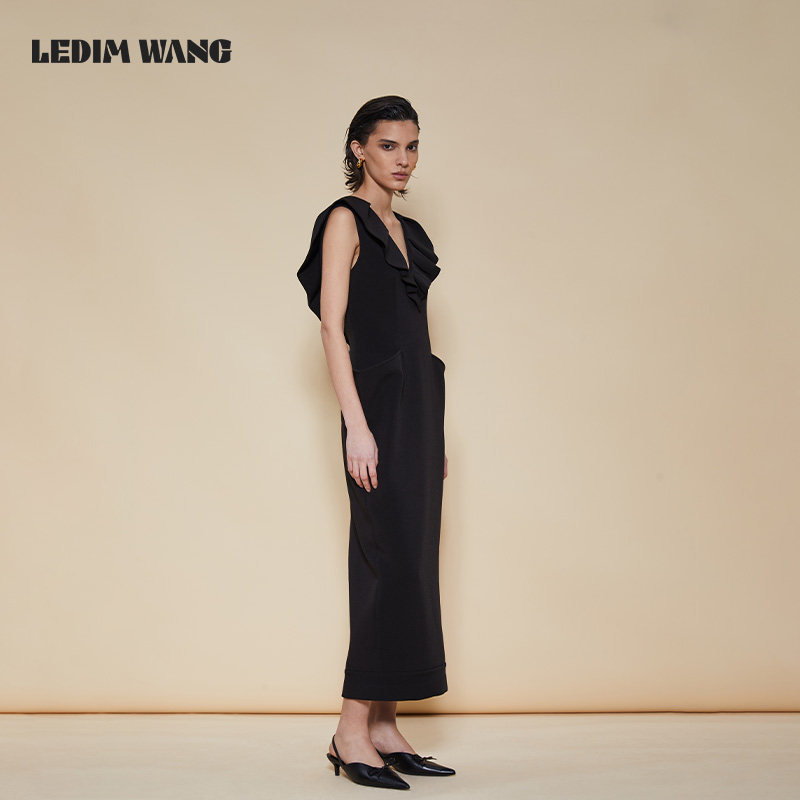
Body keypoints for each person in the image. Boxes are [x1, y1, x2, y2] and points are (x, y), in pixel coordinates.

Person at [297, 96, 456, 789]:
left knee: (413, 561)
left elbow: (418, 336)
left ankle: (386, 727)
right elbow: (333, 328)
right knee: (384, 560)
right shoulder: (344, 219)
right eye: (389, 145)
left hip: (419, 408)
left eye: (412, 146)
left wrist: (434, 430)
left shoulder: (410, 232)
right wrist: (358, 426)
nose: (404, 159)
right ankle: (350, 730)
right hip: (377, 410)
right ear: (359, 148)